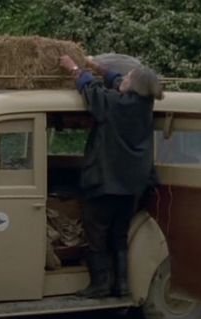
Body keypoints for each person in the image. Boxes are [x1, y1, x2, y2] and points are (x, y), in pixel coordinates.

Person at [59, 55, 164, 298]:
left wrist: (75, 69)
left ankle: (100, 285)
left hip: (106, 183)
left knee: (96, 232)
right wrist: (99, 67)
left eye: (129, 76)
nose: (123, 78)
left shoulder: (115, 104)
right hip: (132, 186)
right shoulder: (143, 104)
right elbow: (117, 82)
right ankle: (123, 285)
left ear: (134, 85)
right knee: (119, 234)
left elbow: (92, 91)